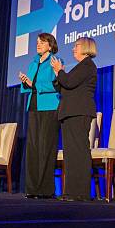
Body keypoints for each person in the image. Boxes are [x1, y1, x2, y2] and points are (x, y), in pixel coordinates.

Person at [51, 37, 97, 201]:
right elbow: (63, 87)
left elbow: (69, 83)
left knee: (79, 152)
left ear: (86, 47)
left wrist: (60, 71)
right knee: (71, 154)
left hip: (79, 112)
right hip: (70, 112)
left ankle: (81, 192)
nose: (73, 49)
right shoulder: (80, 67)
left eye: (76, 46)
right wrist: (59, 74)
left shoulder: (87, 65)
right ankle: (71, 191)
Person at [19, 33, 62, 199]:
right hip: (34, 107)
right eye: (37, 42)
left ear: (50, 46)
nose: (38, 44)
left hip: (50, 107)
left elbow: (57, 84)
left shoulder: (55, 61)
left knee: (46, 148)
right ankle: (32, 188)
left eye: (42, 42)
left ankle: (45, 190)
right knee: (33, 148)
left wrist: (33, 84)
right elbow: (29, 87)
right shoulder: (33, 63)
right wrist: (25, 82)